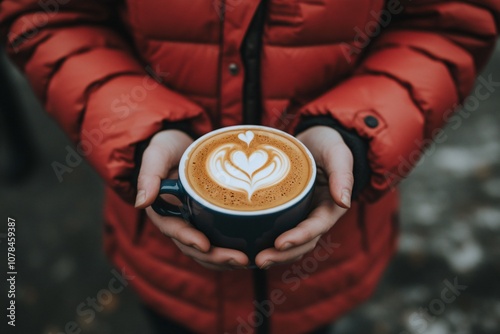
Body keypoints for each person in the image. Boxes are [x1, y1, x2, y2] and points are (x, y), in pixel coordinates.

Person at [1, 1, 498, 333]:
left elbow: (454, 17)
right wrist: (135, 131)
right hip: (165, 263)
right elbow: (44, 14)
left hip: (329, 257)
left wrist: (360, 134)